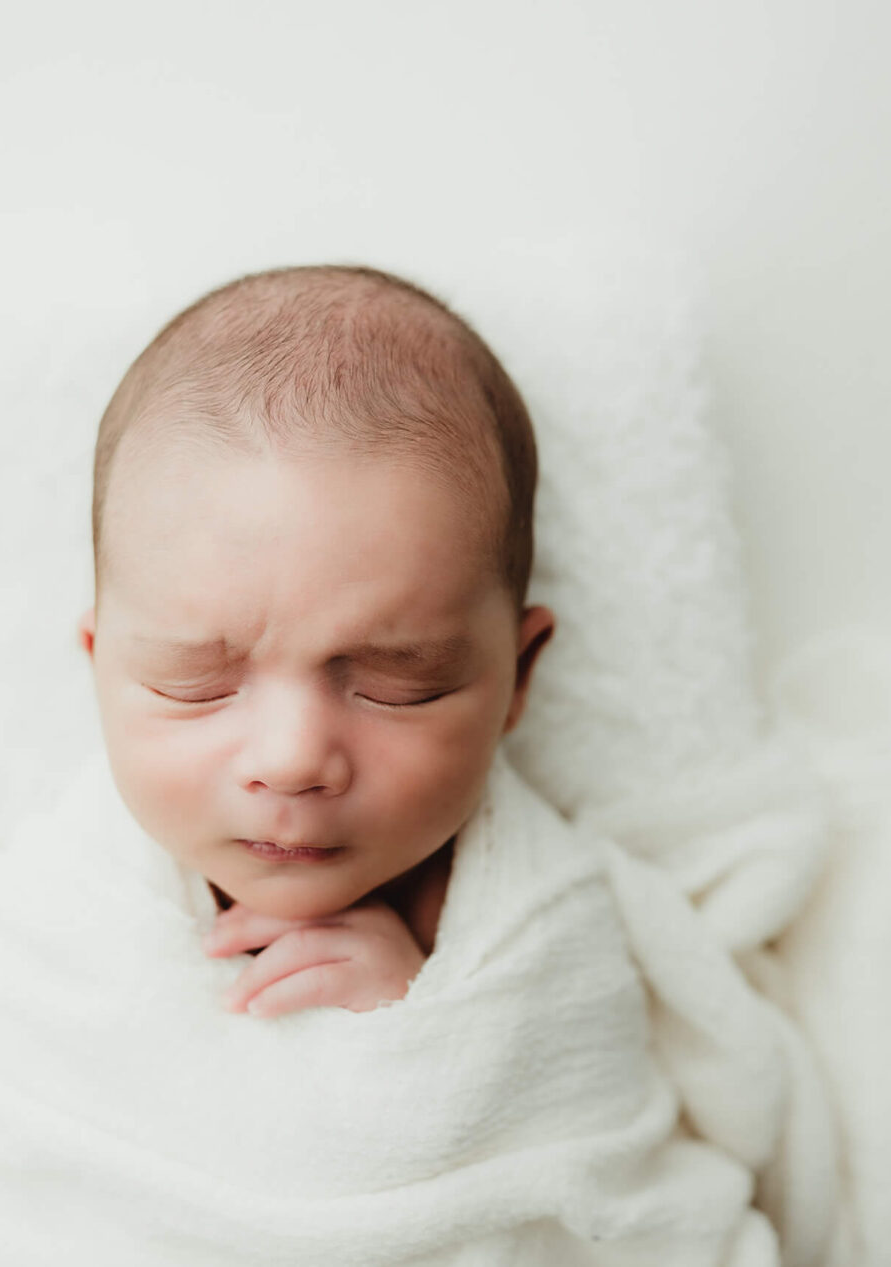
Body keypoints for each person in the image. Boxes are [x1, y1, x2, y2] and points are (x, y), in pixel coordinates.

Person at [77, 264, 557, 1017]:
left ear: (519, 675)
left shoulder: (536, 922)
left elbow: (577, 1115)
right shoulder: (63, 905)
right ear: (98, 665)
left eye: (399, 686)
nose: (291, 759)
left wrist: (421, 1025)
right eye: (193, 683)